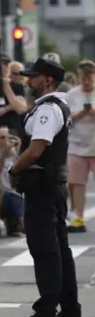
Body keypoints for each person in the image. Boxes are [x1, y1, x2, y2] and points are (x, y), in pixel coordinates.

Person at [9, 57, 83, 317]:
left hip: (43, 187)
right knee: (59, 248)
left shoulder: (48, 109)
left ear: (48, 80)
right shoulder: (53, 106)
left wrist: (15, 168)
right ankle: (70, 309)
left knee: (45, 249)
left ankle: (47, 311)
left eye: (33, 77)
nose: (28, 81)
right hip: (51, 185)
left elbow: (37, 148)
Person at [66, 60, 95, 233]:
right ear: (79, 77)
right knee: (77, 183)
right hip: (77, 145)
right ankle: (78, 217)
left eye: (90, 76)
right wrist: (81, 114)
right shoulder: (72, 95)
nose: (87, 80)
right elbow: (66, 117)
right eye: (84, 76)